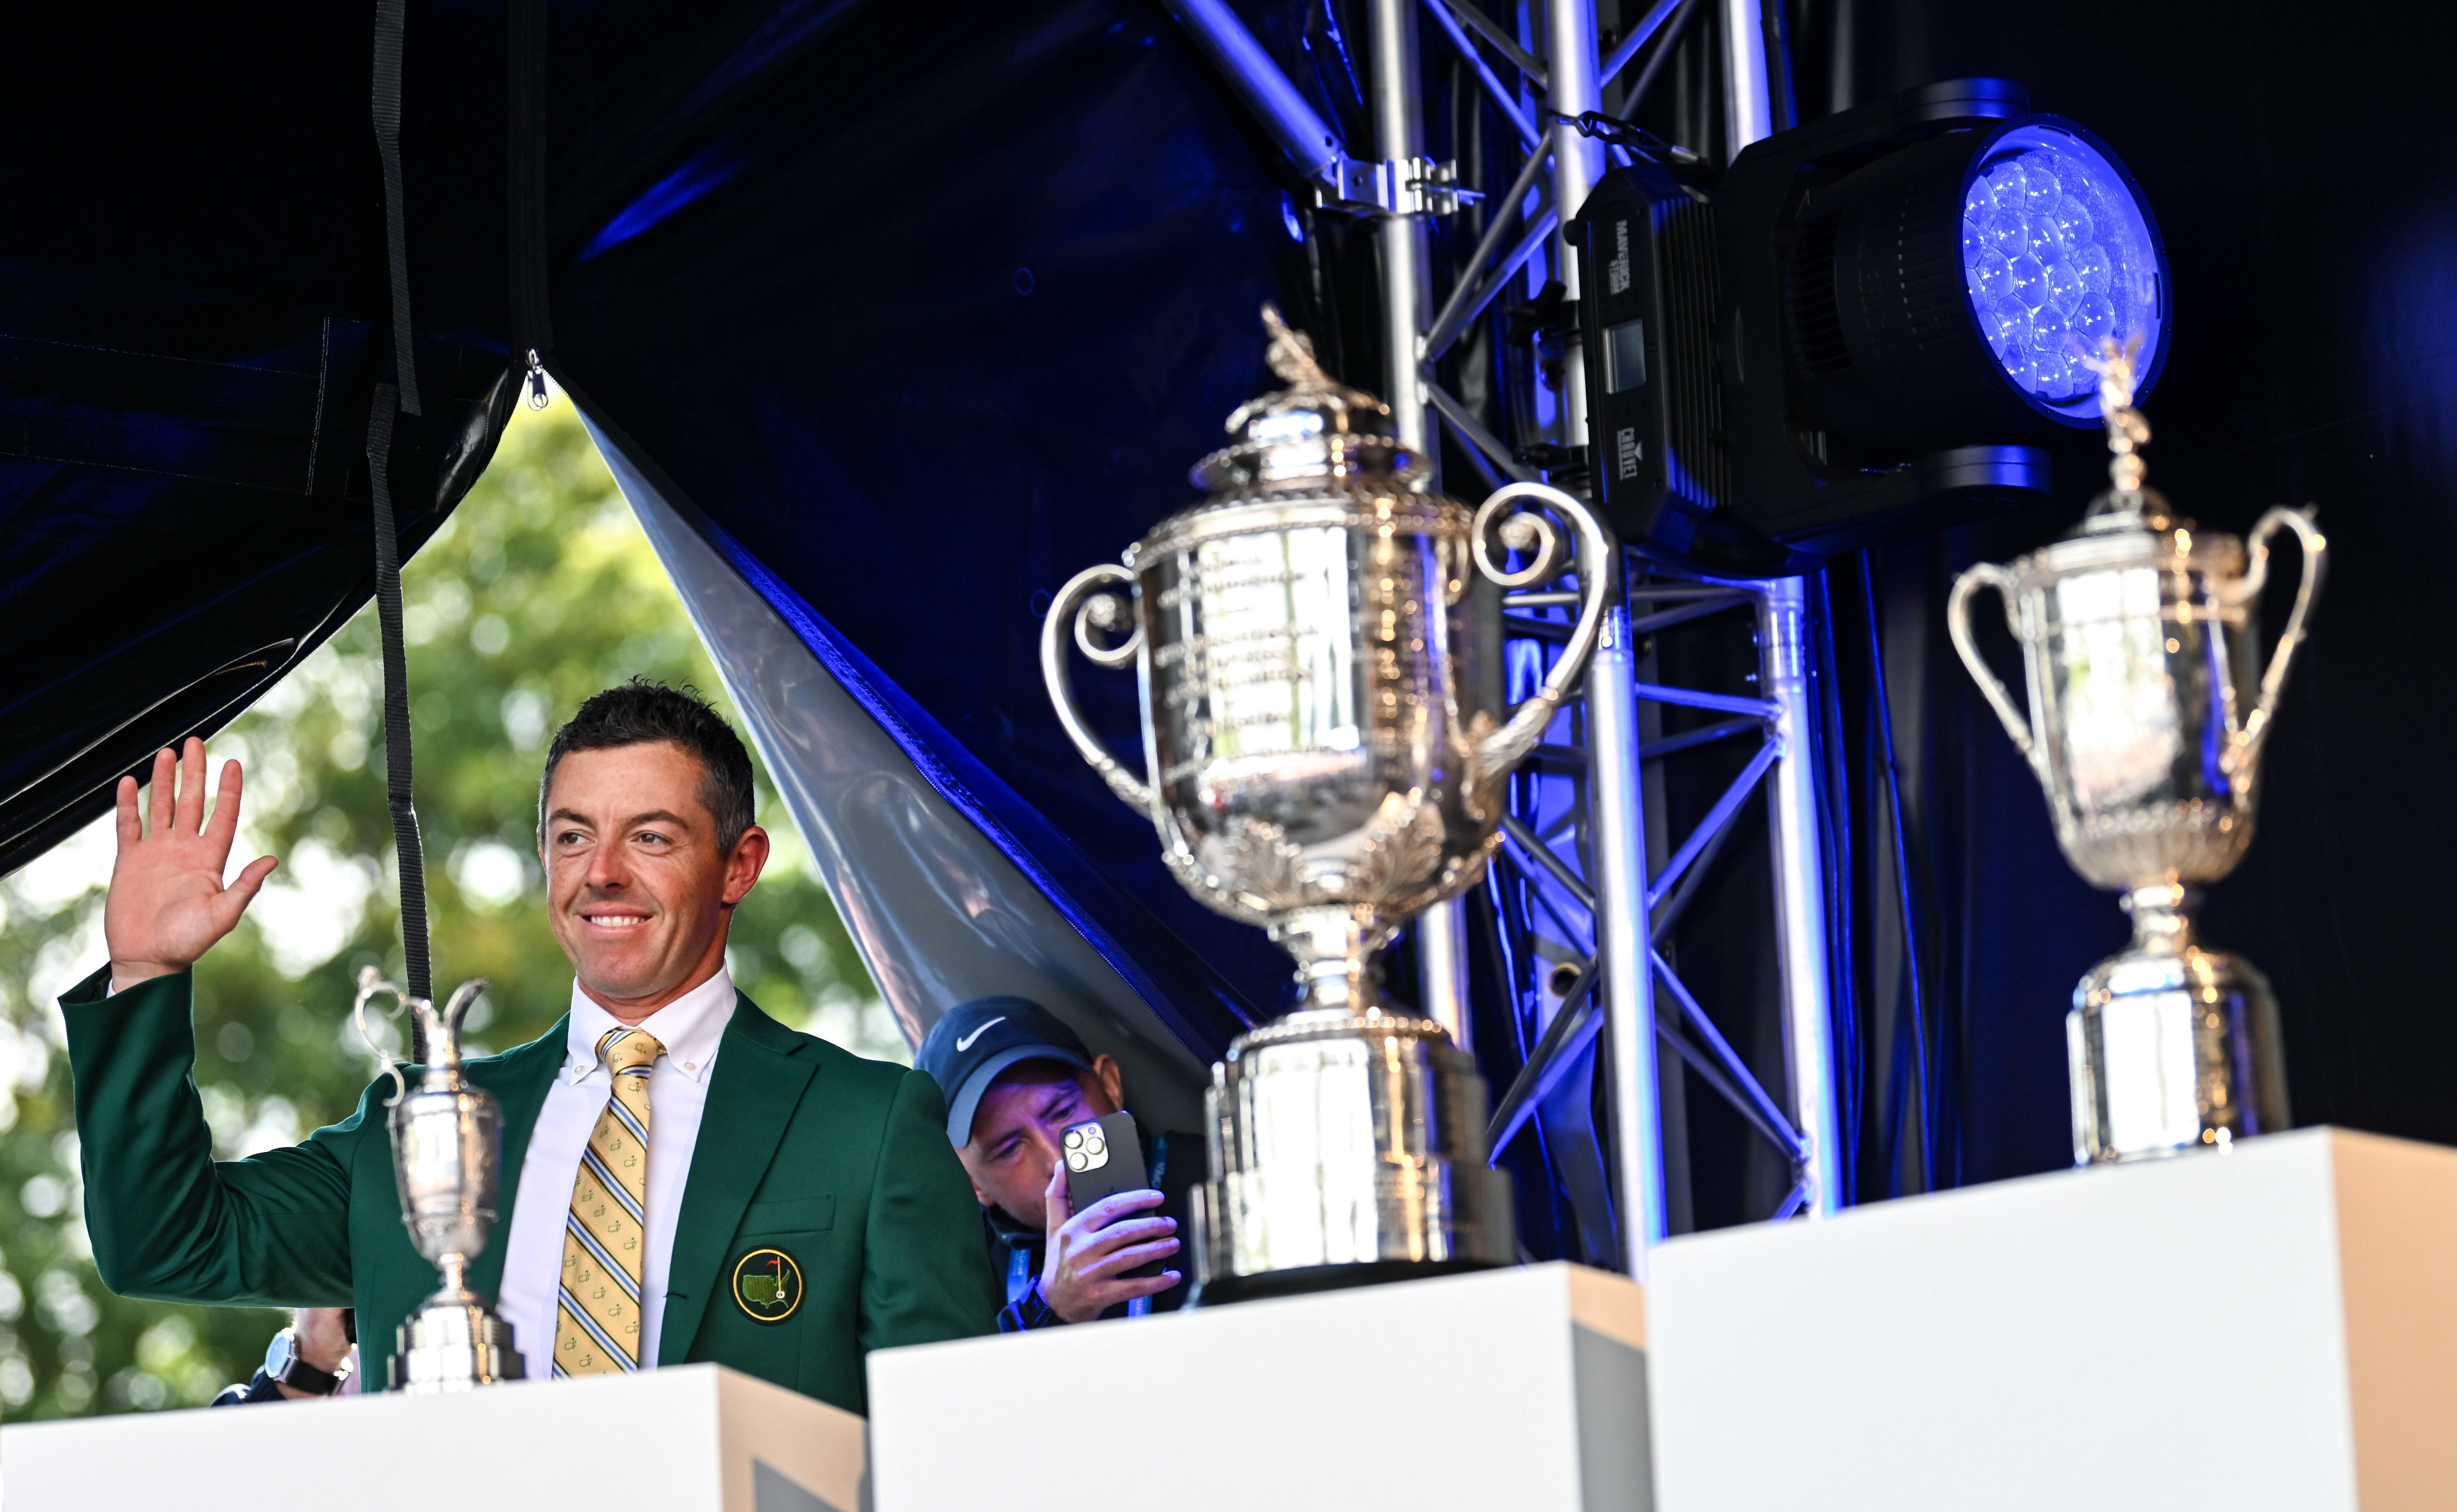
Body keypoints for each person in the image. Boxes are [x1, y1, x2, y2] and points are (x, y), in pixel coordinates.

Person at [66, 681, 995, 1412]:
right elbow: (166, 1243)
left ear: (740, 866)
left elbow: (946, 1442)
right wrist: (145, 971)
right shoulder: (422, 1122)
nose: (603, 873)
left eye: (653, 837)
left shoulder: (869, 1124)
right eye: (573, 835)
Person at [916, 996, 1203, 1330]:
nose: (1057, 1160)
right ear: (973, 1183)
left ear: (1110, 1085)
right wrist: (1049, 1308)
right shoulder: (959, 1277)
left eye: (1064, 1112)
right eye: (1010, 1149)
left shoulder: (1226, 1175)